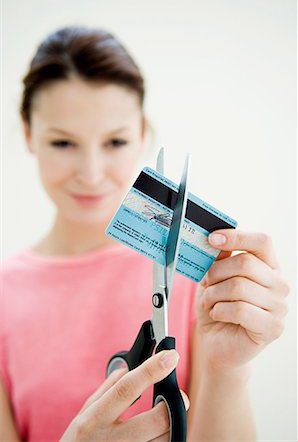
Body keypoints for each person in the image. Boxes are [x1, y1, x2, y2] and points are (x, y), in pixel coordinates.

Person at [0, 26, 289, 442]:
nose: (92, 173)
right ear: (28, 134)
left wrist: (228, 373)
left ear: (142, 134)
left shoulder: (204, 279)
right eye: (63, 143)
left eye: (115, 141)